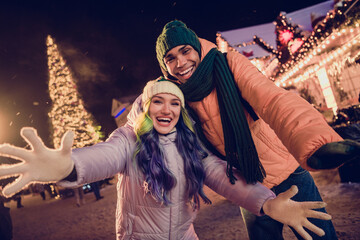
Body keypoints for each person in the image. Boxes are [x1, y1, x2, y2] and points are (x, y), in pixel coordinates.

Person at [0, 79, 332, 240]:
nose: (166, 109)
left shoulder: (190, 144)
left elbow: (222, 177)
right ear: (146, 108)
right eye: (157, 102)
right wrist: (69, 167)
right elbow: (105, 155)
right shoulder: (130, 140)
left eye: (174, 103)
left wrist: (268, 203)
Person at [126, 20, 360, 240]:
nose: (180, 62)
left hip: (288, 172)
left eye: (185, 51)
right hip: (249, 184)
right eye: (170, 58)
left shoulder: (229, 64)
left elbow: (271, 100)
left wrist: (314, 142)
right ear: (164, 65)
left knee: (319, 236)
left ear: (196, 48)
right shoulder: (175, 96)